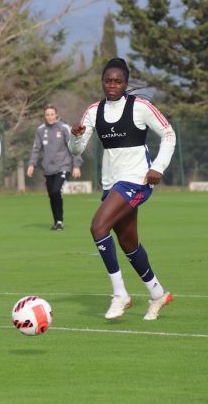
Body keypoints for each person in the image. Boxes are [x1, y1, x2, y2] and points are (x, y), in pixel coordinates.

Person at [70, 58, 176, 321]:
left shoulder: (141, 106)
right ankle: (157, 293)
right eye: (108, 80)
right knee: (128, 243)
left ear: (126, 83)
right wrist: (75, 136)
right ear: (102, 82)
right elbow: (76, 150)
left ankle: (120, 295)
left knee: (98, 227)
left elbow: (169, 134)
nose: (112, 85)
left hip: (136, 180)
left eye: (118, 81)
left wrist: (159, 167)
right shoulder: (94, 111)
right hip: (111, 184)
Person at [27, 105, 82, 230]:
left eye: (52, 114)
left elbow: (73, 146)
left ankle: (59, 221)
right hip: (48, 169)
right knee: (52, 194)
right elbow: (36, 149)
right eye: (47, 115)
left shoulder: (64, 128)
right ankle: (57, 221)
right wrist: (31, 164)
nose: (50, 117)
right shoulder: (40, 130)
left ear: (56, 115)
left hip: (63, 166)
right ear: (45, 116)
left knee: (57, 191)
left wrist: (76, 165)